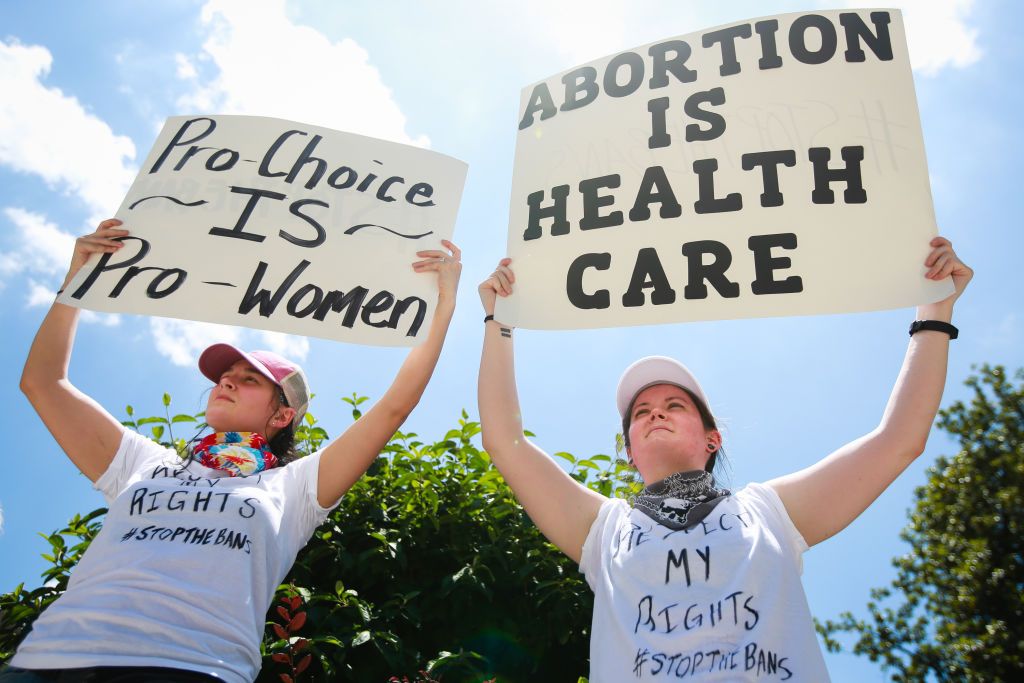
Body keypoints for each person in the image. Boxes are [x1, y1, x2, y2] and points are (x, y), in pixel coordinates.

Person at [477, 237, 971, 681]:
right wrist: (499, 324)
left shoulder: (770, 513)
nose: (656, 414)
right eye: (641, 412)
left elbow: (899, 440)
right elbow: (504, 441)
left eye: (675, 405)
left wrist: (934, 311)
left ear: (712, 439)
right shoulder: (601, 529)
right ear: (628, 452)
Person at [4, 218, 462, 683]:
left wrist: (444, 306)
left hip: (194, 669)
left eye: (249, 380)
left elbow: (393, 409)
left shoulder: (295, 487)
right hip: (49, 662)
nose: (226, 381)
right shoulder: (145, 462)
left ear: (283, 415)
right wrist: (77, 280)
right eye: (226, 375)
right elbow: (43, 382)